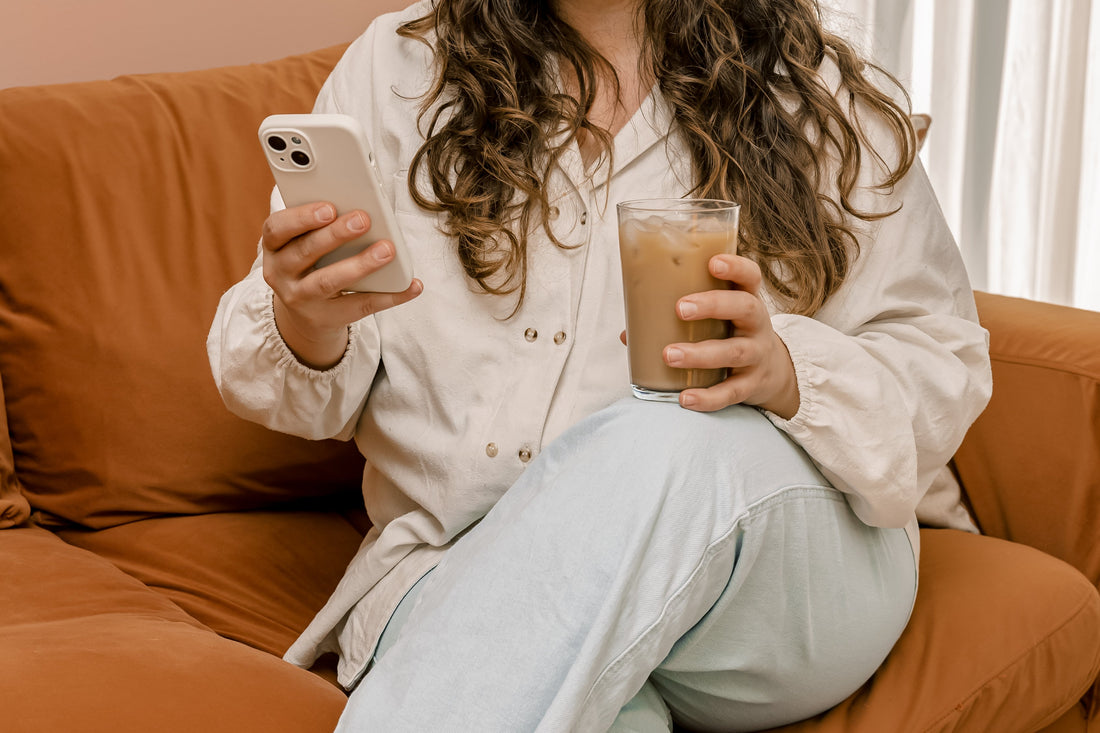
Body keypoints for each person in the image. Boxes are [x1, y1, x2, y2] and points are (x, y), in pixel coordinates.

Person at [207, 0, 992, 730]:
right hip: (461, 563)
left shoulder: (809, 87)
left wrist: (789, 372)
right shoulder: (398, 72)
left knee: (670, 436)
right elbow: (292, 394)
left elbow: (941, 357)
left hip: (779, 581)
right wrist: (304, 318)